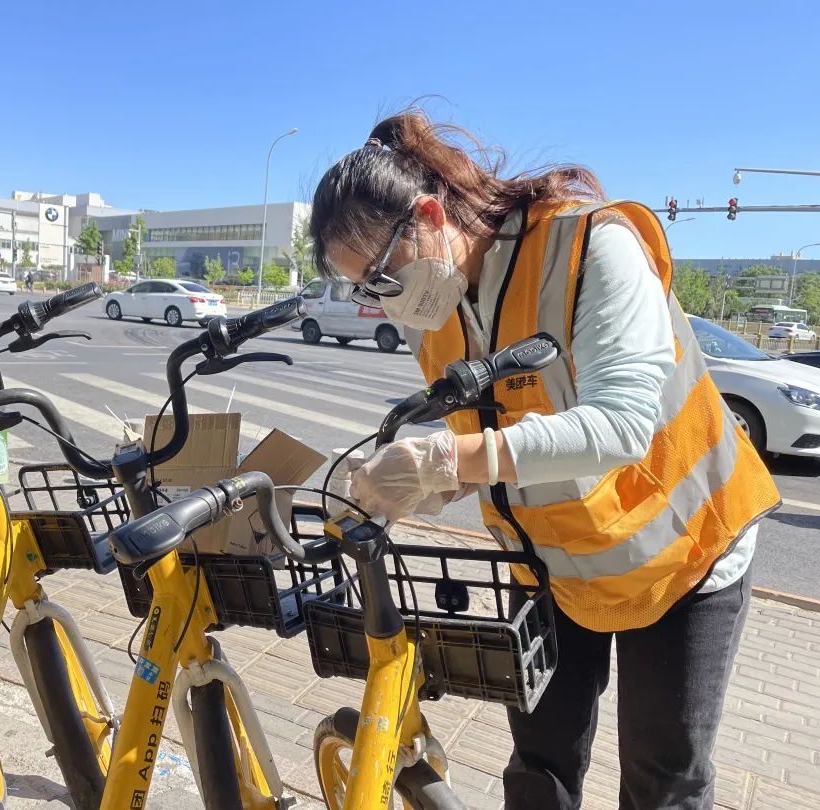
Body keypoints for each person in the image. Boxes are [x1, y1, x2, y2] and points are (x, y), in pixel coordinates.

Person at [307, 110, 780, 810]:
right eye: (363, 291)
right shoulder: (436, 310)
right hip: (556, 562)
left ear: (430, 216)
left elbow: (622, 425)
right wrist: (418, 488)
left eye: (378, 277)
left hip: (686, 552)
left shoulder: (590, 244)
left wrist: (444, 461)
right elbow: (490, 446)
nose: (381, 303)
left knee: (663, 780)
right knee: (540, 769)